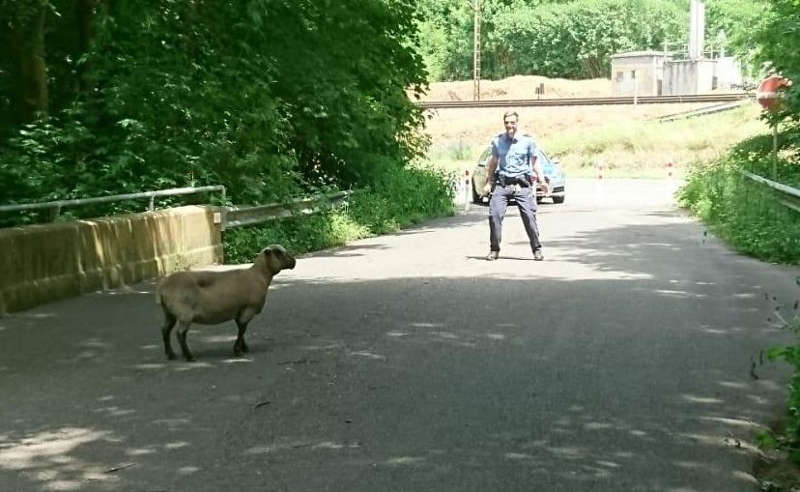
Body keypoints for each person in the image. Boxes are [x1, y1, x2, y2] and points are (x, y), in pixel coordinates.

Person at [482, 111, 548, 261]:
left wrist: (542, 181)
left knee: (529, 217)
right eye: (507, 123)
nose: (509, 125)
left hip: (522, 184)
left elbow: (535, 162)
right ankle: (494, 250)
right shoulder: (498, 141)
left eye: (512, 122)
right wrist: (489, 182)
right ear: (504, 123)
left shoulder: (528, 141)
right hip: (503, 184)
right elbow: (493, 162)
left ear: (517, 123)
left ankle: (537, 249)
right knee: (494, 215)